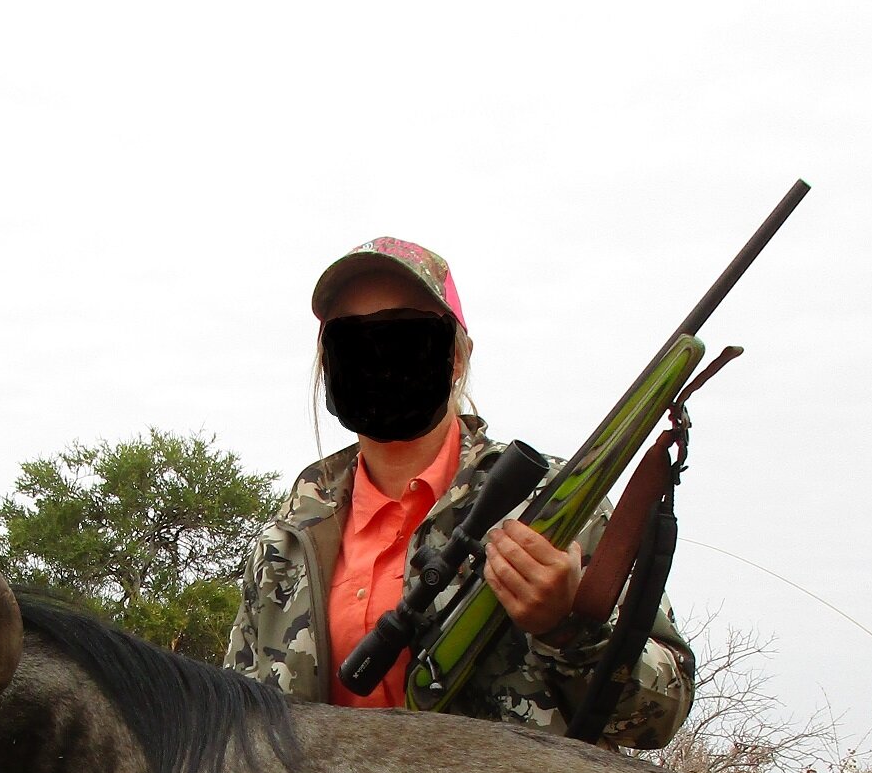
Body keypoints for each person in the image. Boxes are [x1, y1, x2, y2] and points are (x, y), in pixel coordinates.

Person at [225, 237, 693, 744]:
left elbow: (660, 716)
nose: (379, 357)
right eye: (352, 339)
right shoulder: (287, 539)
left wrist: (566, 629)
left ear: (456, 356)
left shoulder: (549, 503)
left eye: (404, 334)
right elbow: (234, 731)